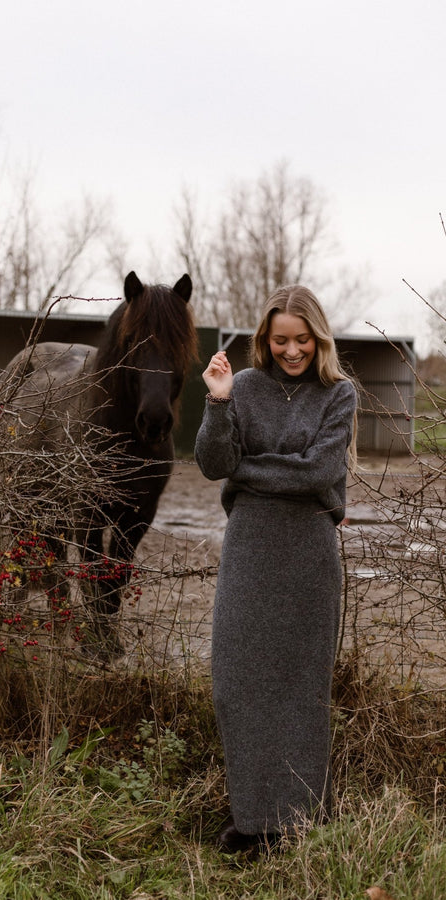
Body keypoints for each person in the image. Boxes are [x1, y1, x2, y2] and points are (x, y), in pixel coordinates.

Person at [194, 284, 357, 857]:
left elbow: (318, 474)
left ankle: (298, 821)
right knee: (238, 684)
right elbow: (215, 464)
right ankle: (253, 820)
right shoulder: (240, 388)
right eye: (281, 339)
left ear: (319, 337)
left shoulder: (340, 394)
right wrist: (217, 404)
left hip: (309, 554)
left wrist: (248, 473)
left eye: (303, 340)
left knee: (299, 689)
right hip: (250, 550)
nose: (292, 351)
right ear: (265, 338)